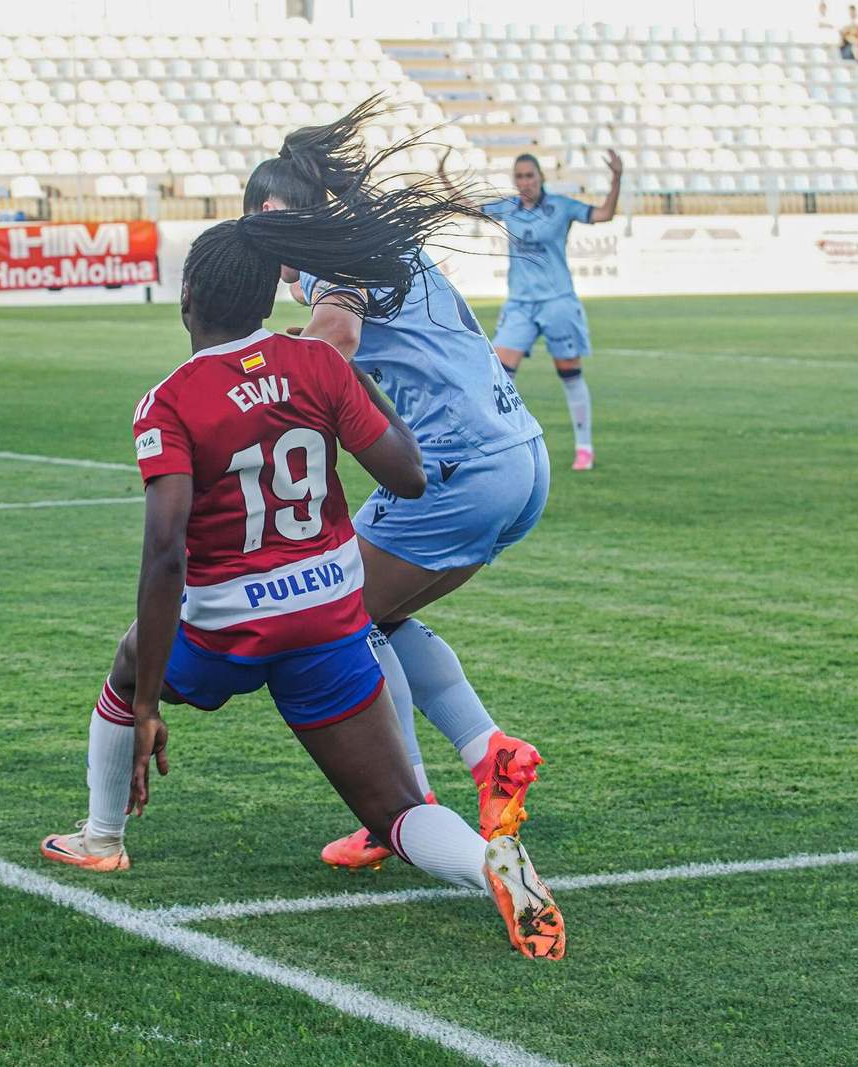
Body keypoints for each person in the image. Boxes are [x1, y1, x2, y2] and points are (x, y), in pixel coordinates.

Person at [39, 193, 566, 960]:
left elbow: (164, 554)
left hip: (225, 624)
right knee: (394, 810)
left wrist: (152, 697)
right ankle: (488, 860)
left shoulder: (169, 403)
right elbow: (410, 476)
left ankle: (101, 837)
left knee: (125, 675)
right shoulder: (315, 364)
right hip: (326, 614)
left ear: (187, 301)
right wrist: (334, 386)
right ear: (267, 297)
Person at [238, 101, 551, 872]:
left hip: (461, 469)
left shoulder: (330, 261)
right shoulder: (385, 242)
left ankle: (402, 808)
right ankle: (490, 753)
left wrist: (252, 390)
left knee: (338, 615)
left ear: (272, 216)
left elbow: (338, 336)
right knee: (378, 610)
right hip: (520, 456)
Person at [450, 150, 622, 472]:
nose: (525, 181)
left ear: (541, 176)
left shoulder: (562, 206)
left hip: (558, 302)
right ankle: (505, 446)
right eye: (519, 176)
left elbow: (604, 214)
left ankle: (584, 448)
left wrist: (616, 179)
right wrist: (447, 181)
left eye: (530, 175)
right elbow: (471, 210)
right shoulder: (508, 207)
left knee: (569, 372)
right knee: (499, 374)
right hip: (519, 305)